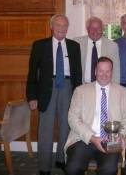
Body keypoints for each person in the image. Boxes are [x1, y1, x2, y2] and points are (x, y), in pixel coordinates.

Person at [26, 14, 82, 175]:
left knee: (67, 126)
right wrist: (32, 96)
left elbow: (77, 72)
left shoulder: (74, 46)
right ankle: (44, 167)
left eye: (65, 26)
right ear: (51, 26)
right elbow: (32, 74)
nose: (61, 28)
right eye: (58, 25)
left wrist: (78, 96)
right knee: (45, 129)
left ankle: (61, 159)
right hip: (46, 89)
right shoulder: (39, 45)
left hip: (67, 87)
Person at [64, 56, 126, 175]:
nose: (104, 74)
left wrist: (120, 134)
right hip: (84, 139)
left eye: (107, 71)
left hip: (111, 140)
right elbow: (72, 118)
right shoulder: (81, 90)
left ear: (112, 72)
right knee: (72, 168)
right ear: (95, 71)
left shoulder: (122, 91)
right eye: (101, 71)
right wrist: (93, 138)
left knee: (109, 170)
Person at [74, 16, 120, 84]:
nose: (95, 31)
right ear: (87, 29)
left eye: (98, 28)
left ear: (102, 29)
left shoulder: (112, 46)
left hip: (104, 85)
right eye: (92, 28)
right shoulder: (77, 43)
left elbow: (116, 70)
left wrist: (115, 87)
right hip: (82, 86)